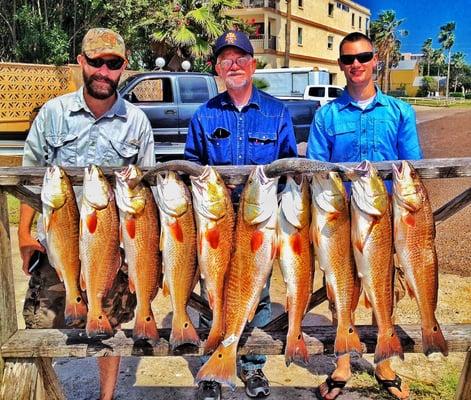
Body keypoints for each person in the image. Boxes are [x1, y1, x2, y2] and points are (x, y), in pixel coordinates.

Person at [18, 28, 155, 400]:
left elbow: (147, 190)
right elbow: (28, 176)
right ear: (81, 62)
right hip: (57, 245)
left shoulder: (137, 123)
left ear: (123, 68)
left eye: (113, 64)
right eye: (95, 61)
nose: (103, 71)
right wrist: (25, 233)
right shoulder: (54, 113)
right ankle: (43, 392)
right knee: (38, 325)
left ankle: (106, 396)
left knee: (108, 326)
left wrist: (138, 249)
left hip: (109, 246)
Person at [306, 31, 423, 400]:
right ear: (340, 65)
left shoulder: (399, 112)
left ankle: (383, 360)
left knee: (382, 284)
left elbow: (412, 166)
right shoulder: (326, 115)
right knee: (342, 284)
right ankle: (343, 361)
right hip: (339, 217)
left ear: (376, 60)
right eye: (348, 59)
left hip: (383, 217)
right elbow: (315, 168)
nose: (356, 64)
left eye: (363, 56)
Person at [184, 30, 297, 400]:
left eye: (240, 58)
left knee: (257, 294)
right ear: (217, 68)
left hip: (257, 224)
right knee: (212, 291)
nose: (233, 65)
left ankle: (252, 366)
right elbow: (192, 164)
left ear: (253, 63)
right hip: (215, 220)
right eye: (225, 60)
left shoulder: (276, 112)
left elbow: (288, 166)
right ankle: (212, 369)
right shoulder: (204, 114)